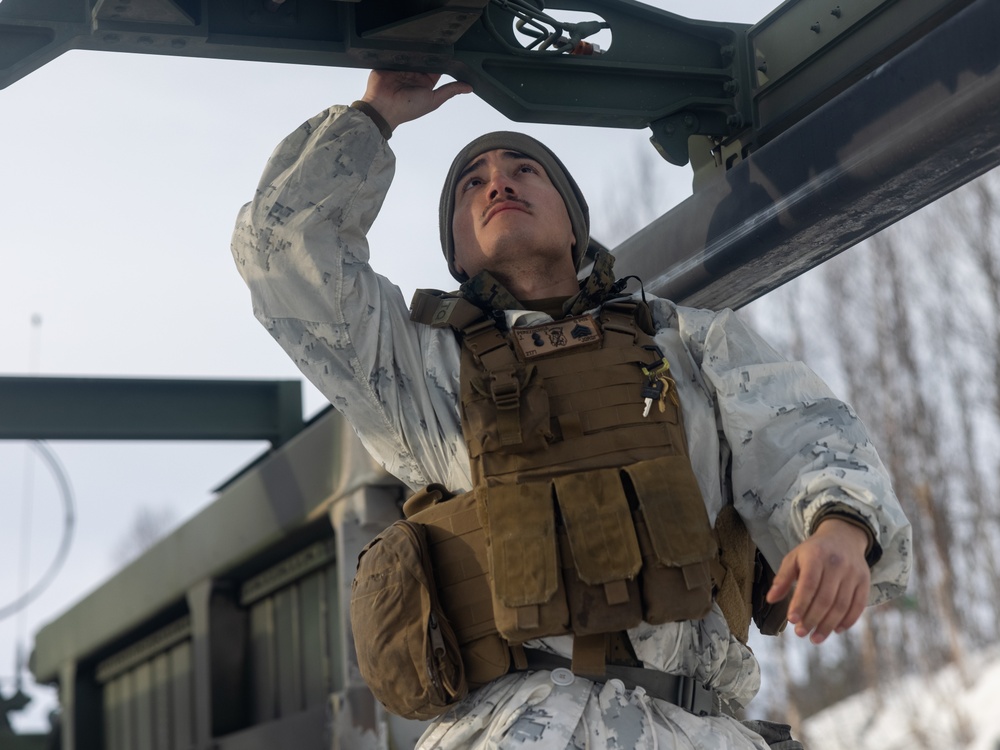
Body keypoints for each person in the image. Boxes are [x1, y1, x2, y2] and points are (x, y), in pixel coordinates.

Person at [231, 70, 911, 749]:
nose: (498, 182)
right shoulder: (418, 372)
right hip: (514, 728)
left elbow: (803, 433)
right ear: (458, 257)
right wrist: (373, 117)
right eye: (472, 185)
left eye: (525, 170)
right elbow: (279, 250)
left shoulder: (691, 344)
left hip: (698, 727)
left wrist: (840, 526)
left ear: (574, 221)